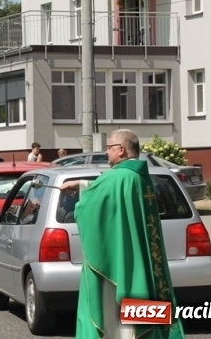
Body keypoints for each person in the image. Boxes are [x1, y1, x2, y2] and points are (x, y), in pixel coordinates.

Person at [61, 129, 184, 338]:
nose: (106, 152)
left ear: (121, 150)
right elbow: (106, 191)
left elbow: (90, 206)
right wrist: (81, 185)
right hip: (140, 258)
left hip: (118, 264)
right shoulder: (140, 177)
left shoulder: (116, 177)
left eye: (108, 148)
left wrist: (80, 199)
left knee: (115, 315)